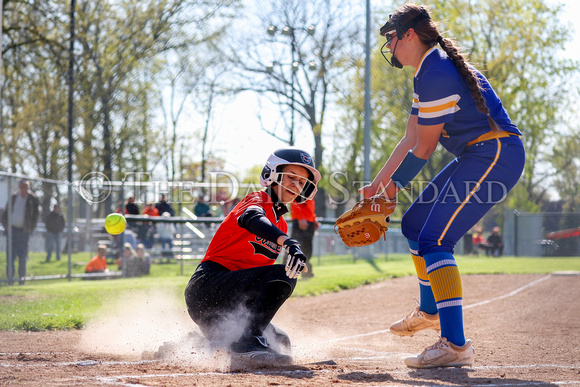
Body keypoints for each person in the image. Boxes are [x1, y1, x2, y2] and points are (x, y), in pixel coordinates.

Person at [359, 4, 525, 368]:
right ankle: (430, 309)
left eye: (391, 38)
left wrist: (391, 191)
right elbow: (408, 139)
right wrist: (377, 185)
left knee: (436, 238)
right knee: (414, 225)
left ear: (410, 35)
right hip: (476, 154)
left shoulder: (434, 72)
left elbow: (424, 149)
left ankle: (455, 344)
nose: (389, 46)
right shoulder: (426, 70)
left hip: (496, 155)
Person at [184, 147, 320, 366]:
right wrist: (288, 242)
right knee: (284, 274)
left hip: (229, 306)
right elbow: (252, 218)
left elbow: (256, 286)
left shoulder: (281, 223)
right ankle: (246, 344)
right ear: (272, 175)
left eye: (302, 182)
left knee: (280, 341)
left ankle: (199, 344)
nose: (296, 185)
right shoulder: (257, 200)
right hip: (207, 288)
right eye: (292, 177)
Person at [2, 178, 40, 285]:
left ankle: (21, 280)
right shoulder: (14, 197)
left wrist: (30, 228)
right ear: (19, 186)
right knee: (10, 256)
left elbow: (36, 216)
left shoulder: (32, 199)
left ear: (28, 187)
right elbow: (4, 214)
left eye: (26, 186)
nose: (24, 188)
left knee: (22, 256)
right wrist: (5, 225)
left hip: (24, 232)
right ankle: (10, 280)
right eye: (22, 185)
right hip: (12, 230)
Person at [289, 199, 318, 278]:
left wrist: (313, 218)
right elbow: (295, 200)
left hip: (308, 221)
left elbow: (308, 206)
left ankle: (307, 273)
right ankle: (284, 274)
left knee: (307, 249)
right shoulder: (302, 187)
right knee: (293, 248)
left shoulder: (311, 188)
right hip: (301, 221)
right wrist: (300, 218)